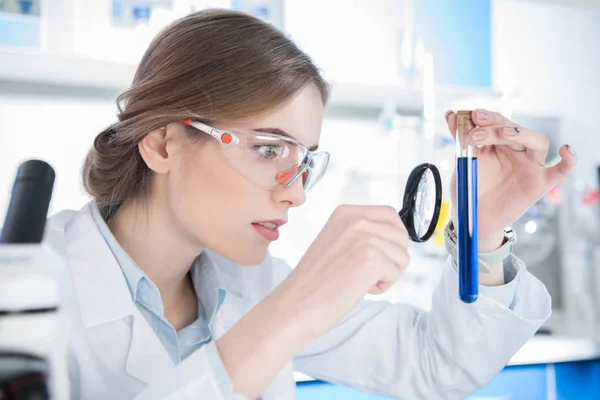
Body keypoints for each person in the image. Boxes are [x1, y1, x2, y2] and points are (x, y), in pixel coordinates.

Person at [42, 8, 577, 400]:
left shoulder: (252, 284)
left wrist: (482, 234)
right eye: (268, 148)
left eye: (304, 161)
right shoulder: (28, 288)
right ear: (163, 144)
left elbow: (435, 365)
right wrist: (294, 309)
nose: (295, 191)